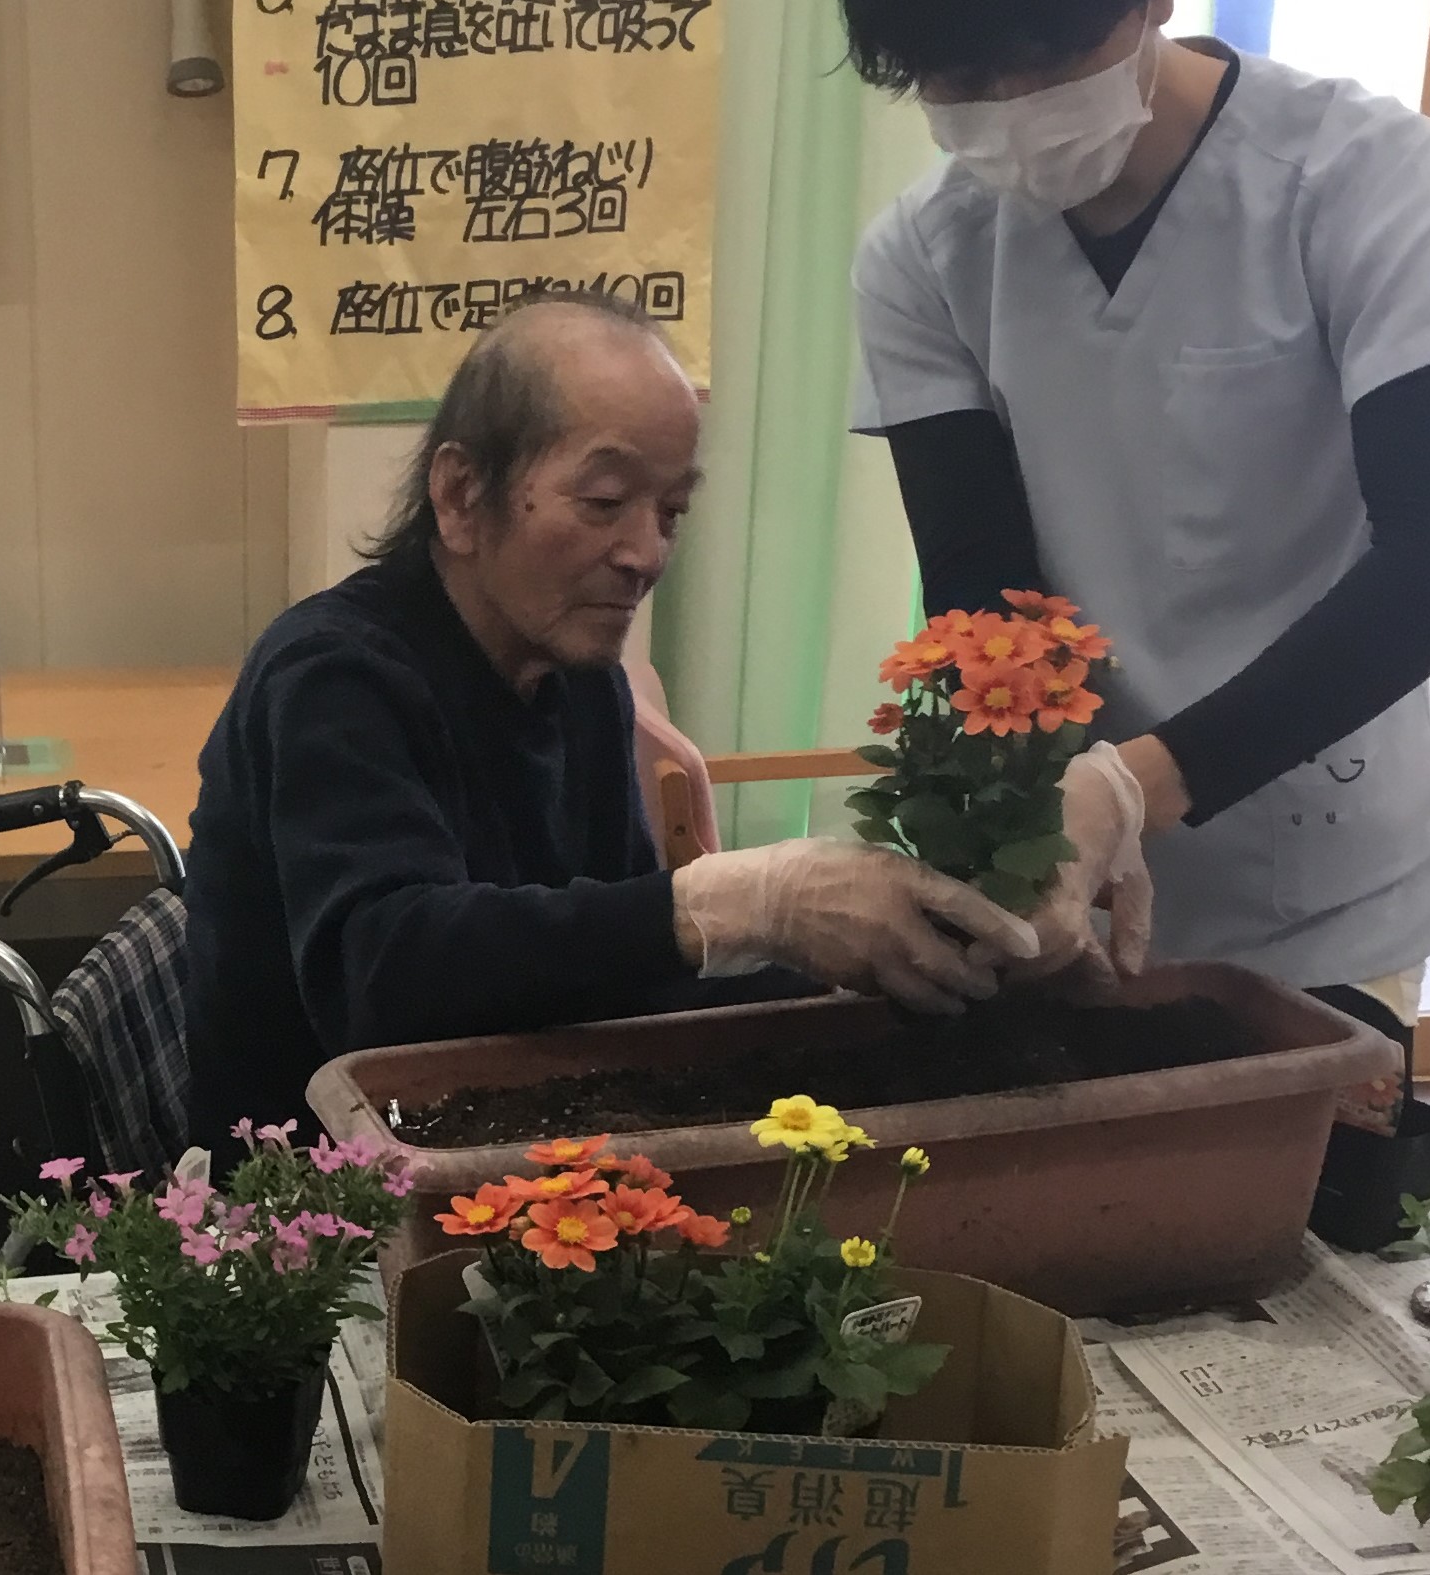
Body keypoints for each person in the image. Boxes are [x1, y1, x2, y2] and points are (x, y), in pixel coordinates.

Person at [828, 0, 1430, 1080]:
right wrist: (1005, 842)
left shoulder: (1364, 184)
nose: (1002, 113)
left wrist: (1130, 784)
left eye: (1039, 62)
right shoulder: (924, 257)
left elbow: (1428, 561)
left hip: (1322, 875)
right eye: (954, 81)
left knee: (1315, 1177)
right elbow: (980, 607)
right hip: (1072, 883)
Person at [180, 291, 1039, 1151]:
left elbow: (622, 979)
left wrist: (859, 970)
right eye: (604, 500)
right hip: (316, 1197)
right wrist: (733, 903)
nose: (645, 553)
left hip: (516, 1142)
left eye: (670, 511)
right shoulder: (334, 676)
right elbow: (384, 979)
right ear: (461, 492)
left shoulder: (576, 674)